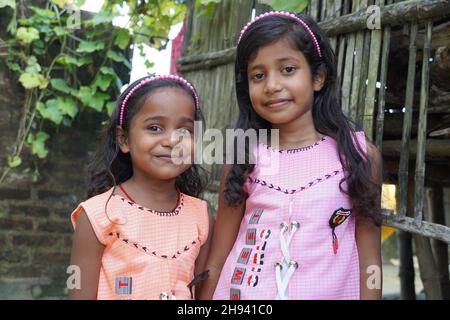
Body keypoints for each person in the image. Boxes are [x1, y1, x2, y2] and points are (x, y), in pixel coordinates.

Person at [200, 11, 382, 300]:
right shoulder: (243, 157)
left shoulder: (358, 156)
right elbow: (218, 255)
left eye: (287, 69)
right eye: (258, 75)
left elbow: (370, 257)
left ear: (318, 77)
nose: (272, 85)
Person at [69, 74, 212, 300]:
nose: (172, 141)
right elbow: (77, 291)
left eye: (185, 131)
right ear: (124, 139)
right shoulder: (97, 216)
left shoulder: (200, 216)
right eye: (155, 128)